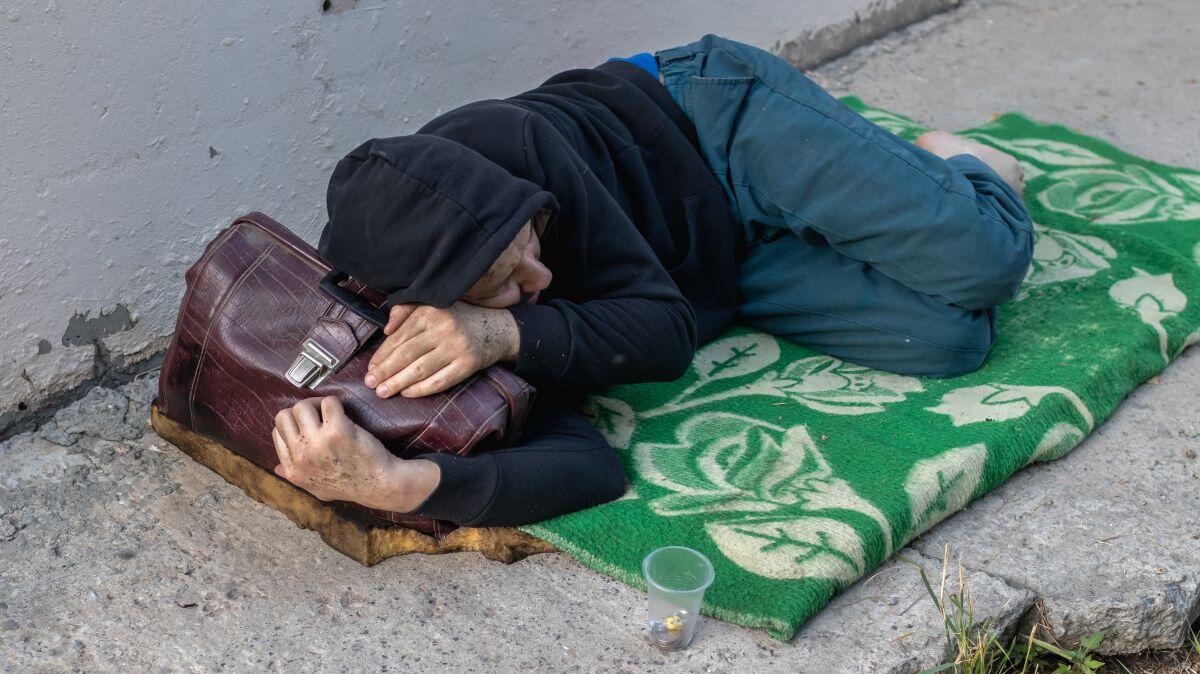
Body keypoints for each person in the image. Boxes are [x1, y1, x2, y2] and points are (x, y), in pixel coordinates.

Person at [269, 34, 1034, 529]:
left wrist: (506, 327)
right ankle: (876, 193)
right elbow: (590, 467)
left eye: (528, 238)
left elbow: (663, 337)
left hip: (718, 124)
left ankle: (962, 165)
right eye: (503, 283)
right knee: (949, 338)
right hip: (713, 266)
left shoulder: (513, 145)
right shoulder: (431, 319)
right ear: (431, 301)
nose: (539, 276)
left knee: (987, 257)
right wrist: (401, 484)